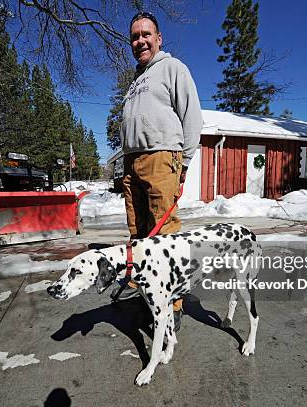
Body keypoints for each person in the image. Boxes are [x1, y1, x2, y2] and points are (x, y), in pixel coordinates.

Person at [112, 11, 203, 331]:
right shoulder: (136, 81)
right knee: (138, 231)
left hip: (162, 157)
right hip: (132, 162)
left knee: (164, 234)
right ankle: (149, 287)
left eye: (145, 34)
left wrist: (186, 161)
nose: (140, 41)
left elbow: (192, 116)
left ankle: (174, 303)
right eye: (135, 36)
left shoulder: (172, 68)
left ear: (158, 38)